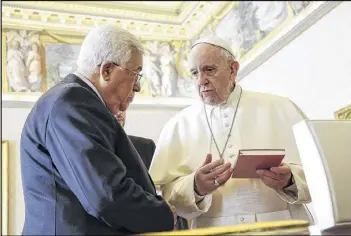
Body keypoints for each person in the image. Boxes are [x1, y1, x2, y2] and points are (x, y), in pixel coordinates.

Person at [20, 25, 176, 235]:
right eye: (135, 74)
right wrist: (163, 215)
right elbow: (106, 195)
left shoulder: (72, 101)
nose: (137, 87)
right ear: (107, 70)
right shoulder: (72, 102)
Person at [149, 36, 313, 228]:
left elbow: (320, 172)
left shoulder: (280, 107)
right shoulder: (178, 125)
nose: (201, 81)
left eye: (209, 70)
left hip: (284, 225)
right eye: (194, 73)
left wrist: (290, 180)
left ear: (233, 69)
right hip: (213, 229)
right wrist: (195, 187)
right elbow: (165, 193)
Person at [115, 102, 189, 230]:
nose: (119, 112)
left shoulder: (145, 147)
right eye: (112, 105)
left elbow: (163, 197)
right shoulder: (89, 152)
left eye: (124, 104)